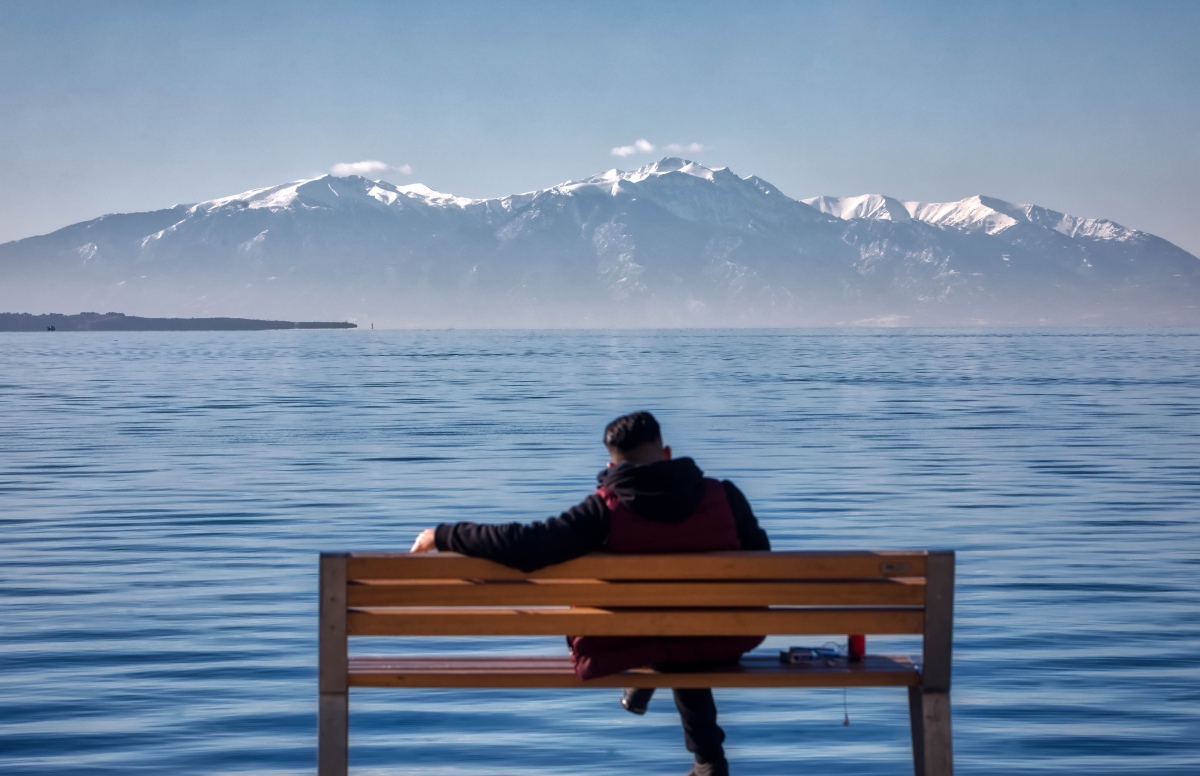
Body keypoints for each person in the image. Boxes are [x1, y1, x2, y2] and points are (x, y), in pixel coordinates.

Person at [410, 411, 770, 776]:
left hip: (635, 638)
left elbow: (526, 547)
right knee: (683, 630)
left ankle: (693, 740)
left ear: (610, 464)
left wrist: (443, 535)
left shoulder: (603, 511)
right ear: (667, 453)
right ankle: (707, 757)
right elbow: (762, 563)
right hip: (726, 634)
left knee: (661, 630)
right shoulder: (724, 495)